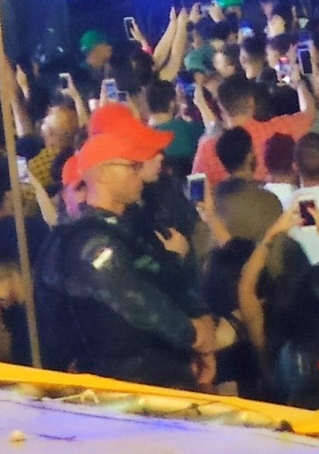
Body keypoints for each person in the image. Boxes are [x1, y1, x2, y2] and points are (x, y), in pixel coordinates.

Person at [33, 103, 213, 387]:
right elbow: (136, 299)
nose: (139, 173)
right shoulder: (89, 243)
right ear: (102, 174)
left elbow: (165, 281)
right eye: (132, 166)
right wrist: (194, 335)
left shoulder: (131, 225)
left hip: (162, 375)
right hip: (118, 393)